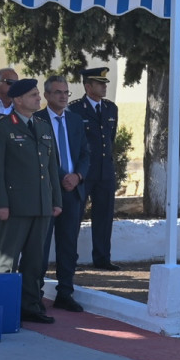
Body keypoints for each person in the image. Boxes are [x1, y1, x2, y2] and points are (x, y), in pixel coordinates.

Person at [0, 77, 63, 324]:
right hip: (15, 206)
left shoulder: (43, 126)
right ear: (18, 100)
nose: (39, 98)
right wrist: (0, 203)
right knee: (7, 260)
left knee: (35, 261)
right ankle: (5, 309)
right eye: (33, 95)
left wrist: (56, 200)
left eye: (38, 94)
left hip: (41, 205)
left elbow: (52, 168)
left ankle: (31, 306)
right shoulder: (1, 128)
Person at [41, 76, 88, 309]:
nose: (63, 96)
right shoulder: (37, 120)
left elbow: (85, 153)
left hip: (73, 191)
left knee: (68, 244)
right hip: (47, 191)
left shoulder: (75, 120)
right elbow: (40, 157)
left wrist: (77, 176)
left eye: (66, 92)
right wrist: (62, 176)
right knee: (40, 244)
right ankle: (35, 292)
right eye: (58, 92)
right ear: (47, 95)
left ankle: (65, 292)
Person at [72, 67, 120, 268]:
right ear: (88, 86)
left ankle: (102, 259)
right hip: (84, 172)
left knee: (104, 217)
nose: (104, 87)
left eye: (105, 83)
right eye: (100, 84)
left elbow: (110, 139)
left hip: (105, 172)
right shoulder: (75, 109)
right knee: (75, 216)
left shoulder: (110, 108)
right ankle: (69, 258)